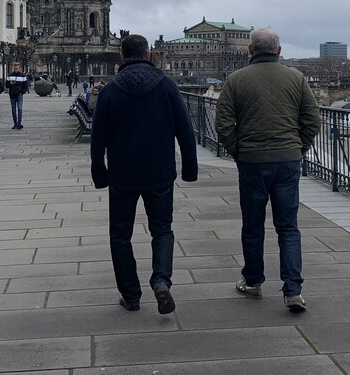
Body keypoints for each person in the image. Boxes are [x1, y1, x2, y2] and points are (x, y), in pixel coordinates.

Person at [90, 34, 198, 315]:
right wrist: (189, 169)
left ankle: (131, 295)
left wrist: (99, 173)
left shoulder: (110, 90)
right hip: (159, 173)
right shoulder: (166, 86)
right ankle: (161, 280)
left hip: (122, 175)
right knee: (162, 230)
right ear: (149, 55)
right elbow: (185, 131)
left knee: (120, 235)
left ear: (121, 57)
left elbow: (97, 138)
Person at [215, 27, 320, 314]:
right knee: (288, 227)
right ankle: (293, 291)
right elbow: (313, 120)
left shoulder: (235, 80)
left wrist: (239, 151)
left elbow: (223, 123)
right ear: (279, 50)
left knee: (252, 226)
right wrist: (299, 148)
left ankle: (253, 281)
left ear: (250, 51)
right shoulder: (297, 79)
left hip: (251, 161)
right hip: (287, 161)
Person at [5, 62, 27, 130]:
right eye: (15, 68)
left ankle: (19, 123)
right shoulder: (10, 75)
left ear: (19, 68)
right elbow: (6, 85)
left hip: (19, 95)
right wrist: (10, 84)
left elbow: (25, 86)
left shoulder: (22, 76)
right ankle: (15, 123)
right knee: (13, 110)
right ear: (13, 68)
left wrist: (22, 92)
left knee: (20, 109)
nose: (16, 69)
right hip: (12, 95)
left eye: (17, 68)